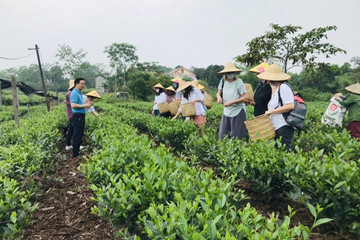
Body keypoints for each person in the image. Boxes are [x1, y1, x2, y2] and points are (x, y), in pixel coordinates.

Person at [259, 63, 295, 150]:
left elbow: (290, 106)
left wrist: (271, 112)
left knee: (283, 153)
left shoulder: (284, 87)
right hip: (277, 127)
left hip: (284, 126)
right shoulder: (277, 88)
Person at [216, 62, 247, 139]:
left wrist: (232, 102)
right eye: (229, 73)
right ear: (225, 73)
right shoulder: (222, 81)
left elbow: (244, 97)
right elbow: (218, 93)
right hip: (227, 110)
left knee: (237, 136)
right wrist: (219, 97)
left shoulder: (239, 82)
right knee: (222, 135)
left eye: (232, 72)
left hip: (238, 110)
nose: (231, 74)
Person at [70, 78, 93, 158]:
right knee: (77, 135)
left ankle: (77, 152)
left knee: (79, 135)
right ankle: (75, 155)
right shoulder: (74, 93)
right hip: (77, 116)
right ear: (76, 84)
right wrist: (85, 105)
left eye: (84, 84)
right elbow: (73, 105)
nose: (84, 85)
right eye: (82, 84)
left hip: (81, 116)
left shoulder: (79, 93)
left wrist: (87, 104)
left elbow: (80, 105)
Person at [65, 79, 75, 151]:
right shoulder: (70, 93)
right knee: (74, 130)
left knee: (71, 130)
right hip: (72, 115)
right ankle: (75, 145)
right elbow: (73, 104)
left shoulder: (69, 93)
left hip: (71, 115)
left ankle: (68, 145)